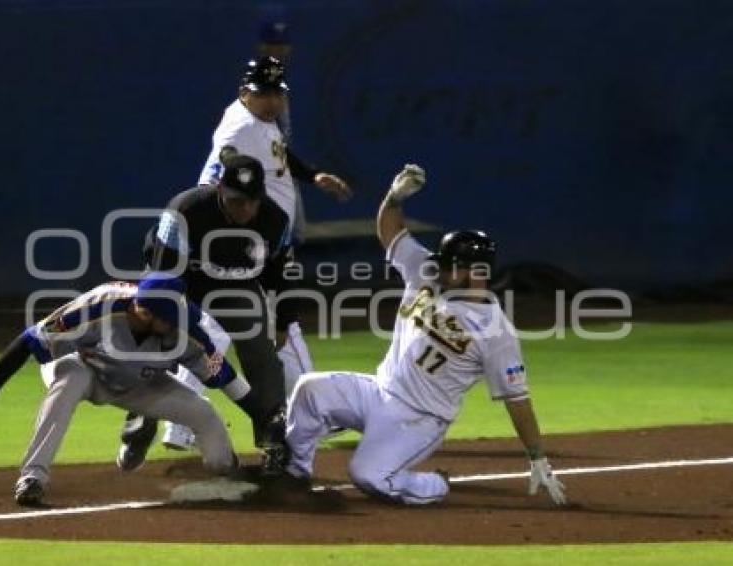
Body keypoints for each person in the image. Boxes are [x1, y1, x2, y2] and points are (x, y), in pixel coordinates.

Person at [282, 164, 568, 506]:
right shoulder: (427, 271)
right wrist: (394, 198)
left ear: (475, 272)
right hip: (377, 391)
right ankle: (294, 474)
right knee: (310, 388)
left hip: (418, 419)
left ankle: (434, 485)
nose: (441, 268)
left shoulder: (496, 331)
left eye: (450, 265)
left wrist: (537, 457)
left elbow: (516, 399)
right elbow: (391, 233)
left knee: (370, 477)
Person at [158, 56, 351, 452]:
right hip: (245, 244)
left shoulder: (260, 122)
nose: (273, 100)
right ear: (244, 92)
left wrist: (311, 174)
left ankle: (180, 423)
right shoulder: (238, 128)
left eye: (277, 92)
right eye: (264, 93)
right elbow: (219, 174)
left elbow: (278, 154)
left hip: (259, 237)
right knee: (268, 330)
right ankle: (314, 413)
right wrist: (227, 230)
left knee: (218, 331)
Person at [0, 274, 250, 506]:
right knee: (68, 382)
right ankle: (32, 478)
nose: (178, 323)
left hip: (142, 384)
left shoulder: (185, 331)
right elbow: (30, 339)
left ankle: (230, 469)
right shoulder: (98, 305)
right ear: (145, 312)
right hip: (86, 369)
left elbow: (225, 377)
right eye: (171, 318)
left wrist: (263, 417)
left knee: (204, 413)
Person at [117, 154, 293, 474]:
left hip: (234, 285)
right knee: (159, 344)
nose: (245, 209)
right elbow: (162, 276)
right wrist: (174, 321)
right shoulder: (185, 211)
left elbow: (281, 275)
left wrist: (282, 322)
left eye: (251, 201)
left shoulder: (275, 220)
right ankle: (141, 424)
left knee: (261, 352)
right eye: (236, 201)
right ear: (219, 191)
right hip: (178, 279)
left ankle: (272, 438)